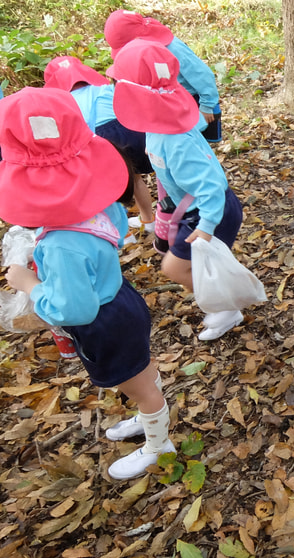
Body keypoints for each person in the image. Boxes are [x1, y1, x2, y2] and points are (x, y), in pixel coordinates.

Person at [0, 87, 175, 480]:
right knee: (140, 370)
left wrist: (29, 284)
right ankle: (150, 408)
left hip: (103, 323)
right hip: (122, 303)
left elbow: (74, 309)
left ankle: (158, 442)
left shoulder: (62, 245)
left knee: (136, 384)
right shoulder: (95, 204)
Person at [108, 39, 244, 341]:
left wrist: (207, 226)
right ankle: (223, 294)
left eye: (117, 83)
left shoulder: (175, 139)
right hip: (195, 207)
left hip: (209, 211)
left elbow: (209, 184)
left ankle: (227, 308)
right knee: (191, 264)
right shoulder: (162, 120)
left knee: (174, 267)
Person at [43, 55, 156, 234]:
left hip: (104, 140)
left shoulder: (64, 101)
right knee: (135, 178)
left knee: (110, 188)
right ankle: (149, 220)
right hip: (130, 130)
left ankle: (123, 234)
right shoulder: (103, 87)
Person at [103, 9, 222, 143]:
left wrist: (207, 106)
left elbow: (203, 75)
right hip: (170, 102)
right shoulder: (143, 54)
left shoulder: (173, 48)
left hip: (195, 101)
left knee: (196, 142)